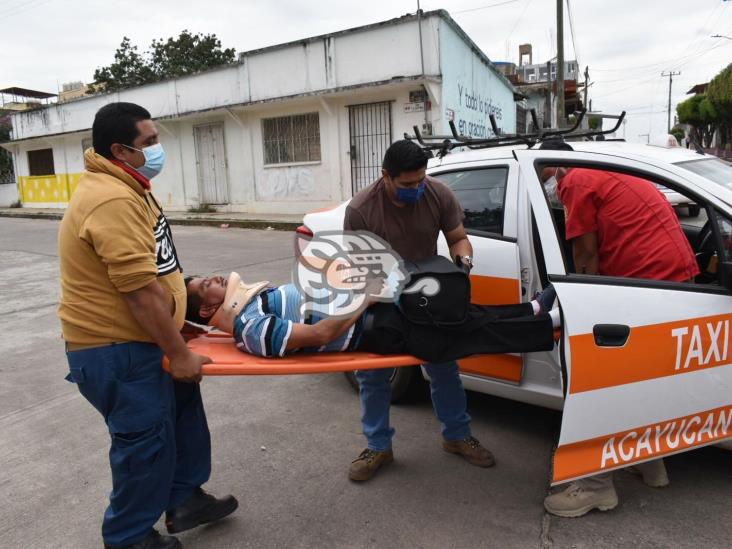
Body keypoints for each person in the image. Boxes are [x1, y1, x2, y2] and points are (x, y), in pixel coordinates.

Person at [59, 102, 237, 549]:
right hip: (116, 349)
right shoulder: (112, 198)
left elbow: (156, 263)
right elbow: (138, 290)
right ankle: (128, 538)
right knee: (144, 443)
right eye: (149, 143)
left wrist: (189, 291)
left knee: (182, 419)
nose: (157, 150)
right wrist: (177, 353)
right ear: (120, 150)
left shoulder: (132, 186)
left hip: (148, 338)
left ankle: (184, 500)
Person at [538, 139, 700, 518]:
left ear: (559, 166)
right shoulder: (608, 168)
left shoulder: (577, 180)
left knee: (601, 382)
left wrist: (581, 310)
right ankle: (650, 462)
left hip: (649, 285)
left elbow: (586, 255)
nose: (553, 189)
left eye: (548, 179)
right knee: (643, 382)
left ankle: (596, 487)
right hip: (676, 283)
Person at [337, 140, 500, 481]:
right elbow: (358, 269)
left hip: (430, 298)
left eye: (421, 181)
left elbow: (458, 237)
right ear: (386, 177)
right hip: (382, 299)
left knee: (444, 369)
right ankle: (378, 447)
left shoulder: (438, 194)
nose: (416, 189)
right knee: (374, 376)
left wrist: (462, 264)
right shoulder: (361, 210)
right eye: (408, 184)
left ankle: (456, 437)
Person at [183, 271, 559, 364]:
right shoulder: (252, 328)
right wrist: (364, 297)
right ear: (206, 309)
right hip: (374, 328)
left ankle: (533, 311)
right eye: (207, 283)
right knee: (463, 330)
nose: (217, 277)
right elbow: (318, 334)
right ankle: (545, 324)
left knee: (456, 313)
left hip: (368, 310)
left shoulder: (253, 304)